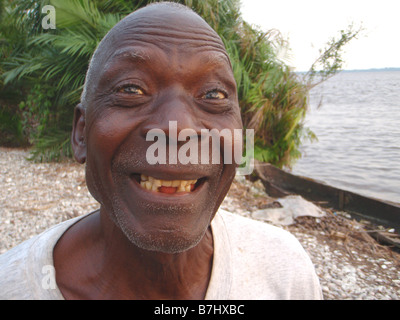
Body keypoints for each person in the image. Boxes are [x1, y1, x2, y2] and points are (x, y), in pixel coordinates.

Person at [0, 2, 322, 300]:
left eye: (213, 94)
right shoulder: (12, 287)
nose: (177, 128)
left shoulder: (285, 272)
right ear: (81, 132)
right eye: (131, 89)